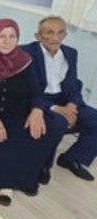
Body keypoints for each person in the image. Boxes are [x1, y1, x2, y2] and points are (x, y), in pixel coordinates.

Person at [0, 19, 65, 206]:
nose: (7, 41)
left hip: (17, 112)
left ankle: (26, 178)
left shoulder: (24, 59)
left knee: (46, 127)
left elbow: (36, 91)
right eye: (2, 36)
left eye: (12, 36)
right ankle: (2, 184)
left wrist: (37, 111)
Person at [22, 16, 96, 182]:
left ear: (65, 35)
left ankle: (73, 158)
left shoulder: (71, 53)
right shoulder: (26, 53)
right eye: (49, 32)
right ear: (38, 35)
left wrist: (72, 104)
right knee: (58, 123)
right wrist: (56, 109)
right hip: (38, 100)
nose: (55, 37)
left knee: (94, 119)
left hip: (64, 98)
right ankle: (43, 165)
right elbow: (27, 90)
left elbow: (73, 83)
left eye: (60, 32)